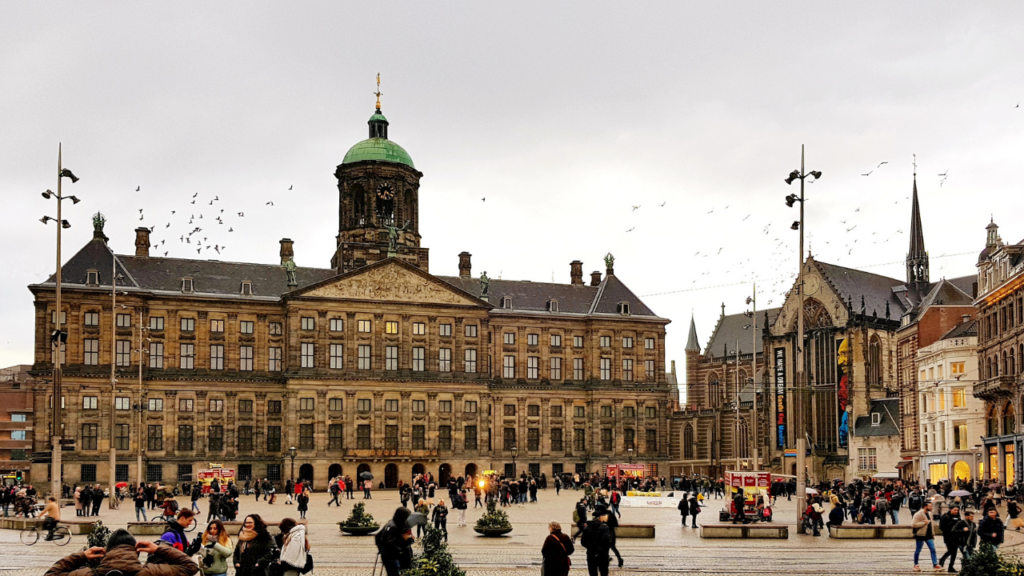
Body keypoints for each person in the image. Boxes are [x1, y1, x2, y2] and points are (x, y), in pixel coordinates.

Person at [44, 529, 199, 576]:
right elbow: (190, 567)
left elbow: (51, 575)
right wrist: (158, 549)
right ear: (136, 552)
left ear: (106, 551)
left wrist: (82, 556)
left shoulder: (87, 574)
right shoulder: (151, 573)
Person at [376, 507, 415, 576]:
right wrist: (401, 550)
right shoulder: (393, 527)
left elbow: (378, 537)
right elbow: (390, 544)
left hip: (389, 556)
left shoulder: (392, 523)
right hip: (392, 557)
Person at [580, 505, 613, 576]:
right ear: (601, 517)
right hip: (603, 554)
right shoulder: (605, 527)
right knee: (604, 572)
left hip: (591, 554)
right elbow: (607, 540)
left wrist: (591, 547)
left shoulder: (587, 527)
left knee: (593, 573)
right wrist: (602, 548)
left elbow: (583, 541)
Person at [912, 501, 941, 572]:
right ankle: (916, 564)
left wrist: (933, 534)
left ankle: (935, 564)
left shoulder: (930, 514)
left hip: (928, 535)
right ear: (925, 507)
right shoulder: (918, 514)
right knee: (918, 550)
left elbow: (931, 525)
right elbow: (913, 524)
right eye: (930, 506)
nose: (931, 507)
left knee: (933, 549)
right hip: (920, 535)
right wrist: (923, 523)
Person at [937, 504, 961, 572]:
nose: (956, 511)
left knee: (954, 553)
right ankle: (942, 559)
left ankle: (951, 566)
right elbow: (942, 527)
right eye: (955, 510)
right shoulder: (945, 516)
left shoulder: (958, 516)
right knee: (951, 550)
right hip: (948, 536)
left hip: (956, 536)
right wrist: (951, 524)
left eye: (957, 510)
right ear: (950, 509)